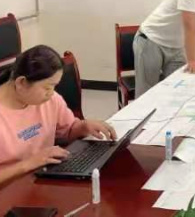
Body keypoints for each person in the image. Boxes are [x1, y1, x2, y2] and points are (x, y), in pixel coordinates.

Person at [0, 45, 116, 185]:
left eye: (54, 86)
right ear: (21, 82)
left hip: (42, 181)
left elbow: (68, 131)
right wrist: (29, 163)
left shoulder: (50, 100)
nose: (51, 93)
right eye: (47, 87)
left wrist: (83, 127)